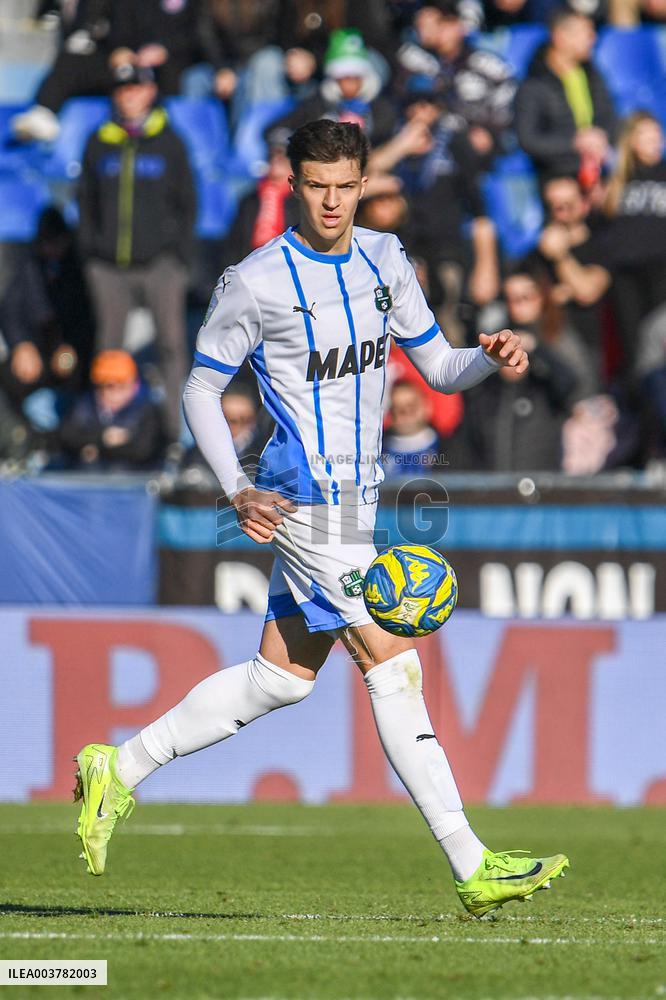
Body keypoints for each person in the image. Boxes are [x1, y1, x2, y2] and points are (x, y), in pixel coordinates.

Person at [73, 119, 568, 919]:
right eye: (316, 186)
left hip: (363, 495)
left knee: (282, 680)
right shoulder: (255, 280)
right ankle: (472, 864)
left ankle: (118, 767)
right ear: (293, 183)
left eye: (346, 186)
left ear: (364, 181)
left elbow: (438, 368)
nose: (332, 201)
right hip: (299, 493)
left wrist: (490, 356)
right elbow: (200, 388)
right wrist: (236, 486)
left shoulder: (386, 259)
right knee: (393, 662)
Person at [78, 64, 196, 442]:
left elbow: (187, 203)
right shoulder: (99, 141)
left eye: (135, 87)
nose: (128, 95)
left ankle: (176, 435)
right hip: (109, 266)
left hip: (161, 263)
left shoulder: (170, 141)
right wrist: (92, 254)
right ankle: (107, 431)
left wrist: (177, 254)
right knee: (109, 348)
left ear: (149, 92)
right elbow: (85, 203)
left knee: (171, 346)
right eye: (121, 88)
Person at [396, 0, 517, 167]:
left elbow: (509, 90)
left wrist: (490, 129)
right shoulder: (419, 62)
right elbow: (405, 97)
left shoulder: (483, 62)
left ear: (458, 26)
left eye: (444, 25)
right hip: (436, 140)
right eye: (422, 27)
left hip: (483, 140)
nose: (435, 33)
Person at [515, 7, 617, 182]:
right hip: (556, 173)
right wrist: (574, 143)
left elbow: (610, 116)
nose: (593, 39)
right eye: (586, 33)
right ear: (560, 37)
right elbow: (529, 140)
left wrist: (599, 139)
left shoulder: (592, 75)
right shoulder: (534, 83)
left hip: (599, 168)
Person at [602, 112, 666, 375]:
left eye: (656, 134)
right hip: (626, 273)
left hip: (661, 269)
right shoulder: (618, 179)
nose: (653, 141)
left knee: (659, 336)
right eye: (644, 134)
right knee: (633, 342)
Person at [58, 350, 165, 469]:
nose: (113, 393)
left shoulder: (147, 409)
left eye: (120, 386)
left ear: (133, 385)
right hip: (88, 479)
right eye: (106, 386)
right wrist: (104, 437)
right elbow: (66, 436)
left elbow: (143, 450)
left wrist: (98, 450)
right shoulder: (85, 405)